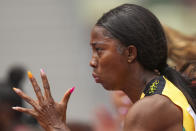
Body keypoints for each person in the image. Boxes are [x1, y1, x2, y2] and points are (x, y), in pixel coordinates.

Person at [12, 4, 196, 131]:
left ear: (130, 53)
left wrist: (56, 126)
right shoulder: (161, 93)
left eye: (99, 50)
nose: (92, 61)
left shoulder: (149, 108)